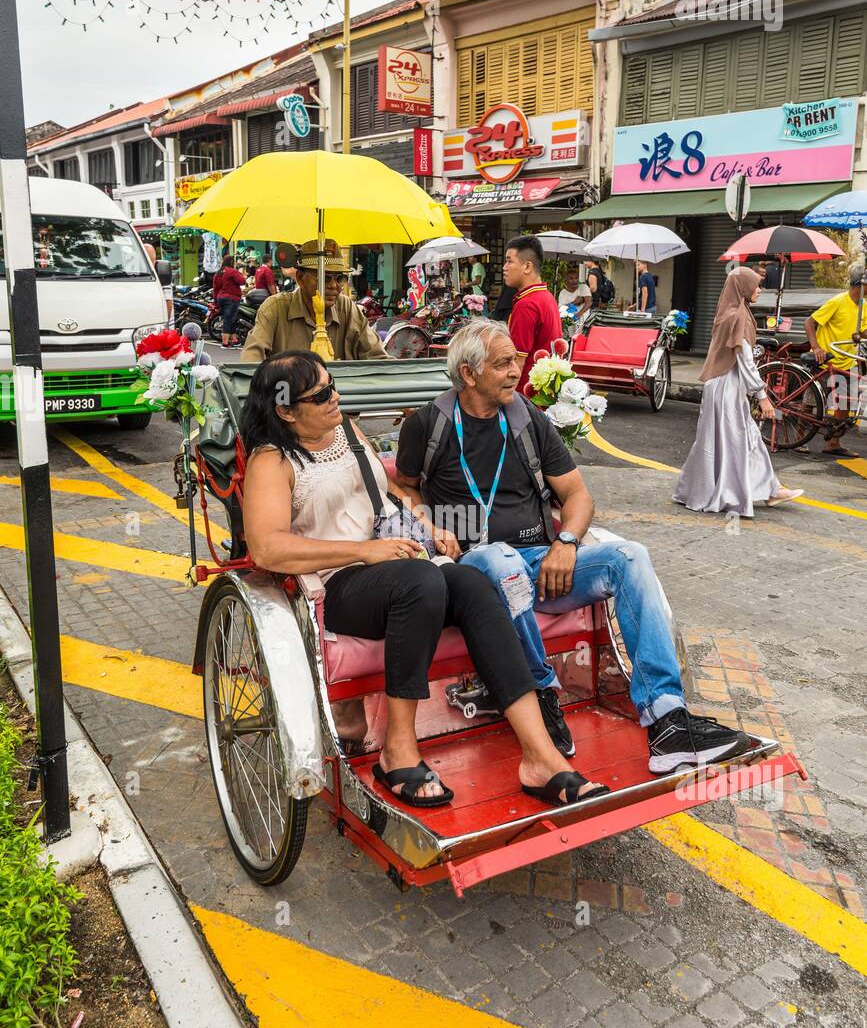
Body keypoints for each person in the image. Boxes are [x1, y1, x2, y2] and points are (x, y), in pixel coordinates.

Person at [241, 353, 608, 808]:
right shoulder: (272, 461)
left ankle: (541, 757)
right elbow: (267, 548)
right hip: (337, 583)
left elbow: (388, 490)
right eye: (320, 395)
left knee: (474, 583)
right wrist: (362, 551)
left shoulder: (347, 432)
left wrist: (427, 522)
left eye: (332, 384)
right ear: (285, 410)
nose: (335, 397)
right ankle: (397, 750)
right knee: (421, 581)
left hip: (398, 563)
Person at [395, 318, 752, 776]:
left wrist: (565, 541)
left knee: (629, 556)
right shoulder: (428, 425)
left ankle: (668, 720)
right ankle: (541, 695)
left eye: (517, 361)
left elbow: (578, 495)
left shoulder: (527, 419)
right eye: (504, 364)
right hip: (474, 572)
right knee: (498, 558)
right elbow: (404, 487)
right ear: (469, 373)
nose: (515, 372)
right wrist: (427, 523)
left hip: (543, 564)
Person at [674, 268, 803, 517]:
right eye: (756, 285)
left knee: (733, 439)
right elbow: (744, 360)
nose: (759, 290)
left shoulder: (730, 311)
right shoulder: (737, 317)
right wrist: (762, 397)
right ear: (743, 287)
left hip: (722, 386)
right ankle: (752, 491)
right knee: (737, 440)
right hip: (727, 387)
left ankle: (768, 489)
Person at [242, 239, 388, 364]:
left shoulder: (347, 309)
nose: (333, 285)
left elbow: (378, 359)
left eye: (340, 278)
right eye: (324, 278)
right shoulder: (275, 309)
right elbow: (250, 363)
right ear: (300, 278)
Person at [805, 263, 865, 457]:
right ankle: (800, 438)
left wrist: (861, 335)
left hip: (847, 360)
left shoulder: (864, 306)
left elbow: (862, 331)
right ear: (861, 284)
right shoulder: (838, 301)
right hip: (826, 360)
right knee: (810, 403)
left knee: (844, 405)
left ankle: (833, 443)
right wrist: (816, 348)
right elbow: (810, 322)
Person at [503, 235, 562, 365]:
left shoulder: (527, 304)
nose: (504, 267)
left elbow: (517, 360)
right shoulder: (546, 296)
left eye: (509, 261)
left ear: (527, 267)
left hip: (526, 383)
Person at [213, 252, 246, 349]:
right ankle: (225, 343)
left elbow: (215, 288)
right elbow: (242, 281)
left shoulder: (218, 272)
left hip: (221, 298)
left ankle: (234, 340)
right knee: (229, 320)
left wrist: (215, 301)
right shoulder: (232, 271)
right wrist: (239, 272)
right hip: (231, 298)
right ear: (231, 262)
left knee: (231, 319)